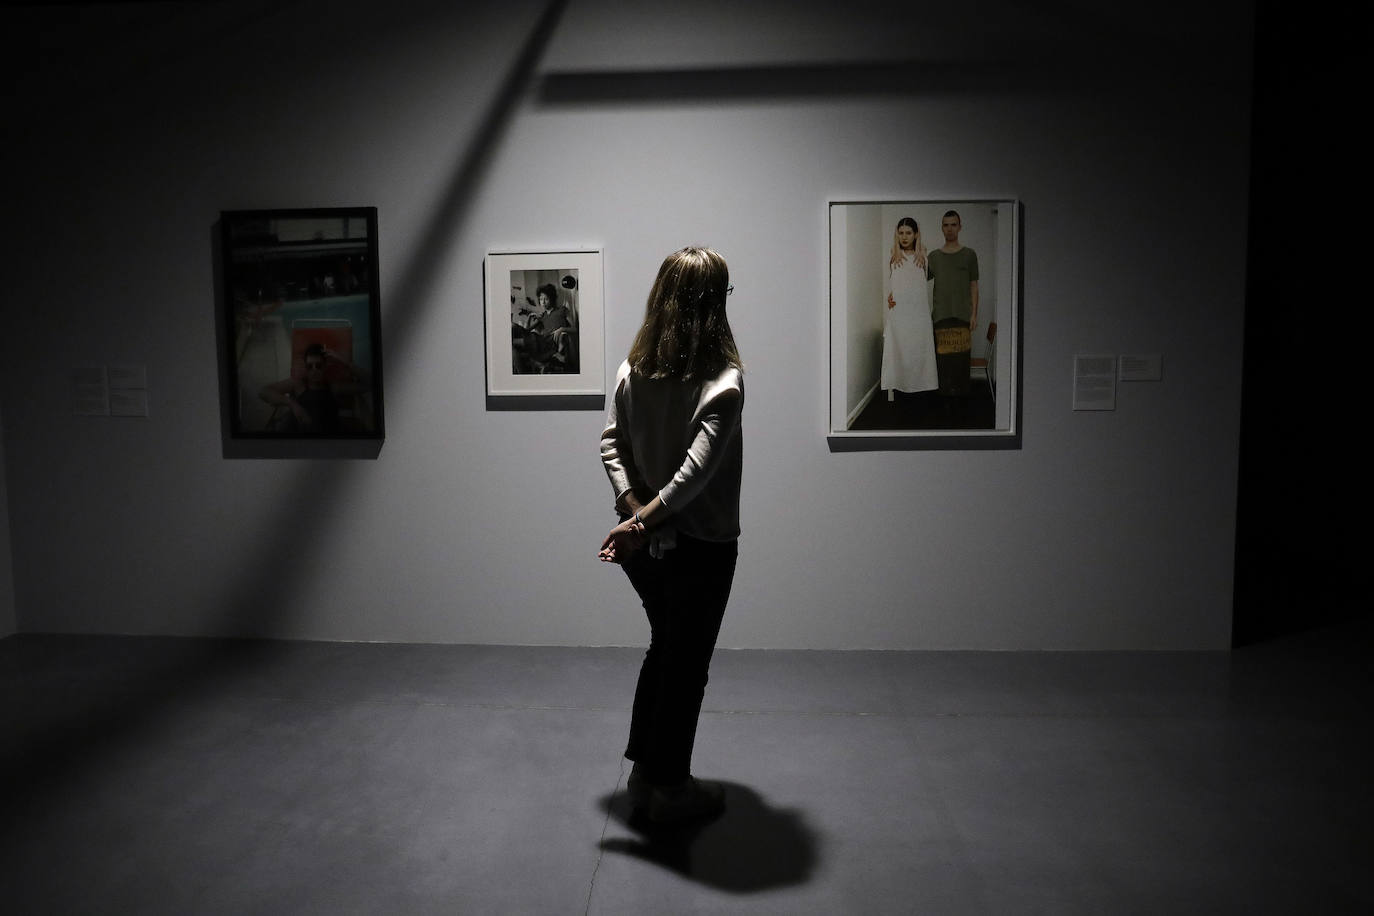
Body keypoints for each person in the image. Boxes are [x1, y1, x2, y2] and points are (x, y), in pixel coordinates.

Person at [599, 246, 744, 826]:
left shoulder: (634, 369)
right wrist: (643, 519)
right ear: (715, 304)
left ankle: (644, 773)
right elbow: (693, 478)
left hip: (644, 545)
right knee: (687, 664)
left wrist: (634, 514)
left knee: (667, 652)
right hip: (703, 545)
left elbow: (613, 446)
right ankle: (672, 786)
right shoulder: (723, 383)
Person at [881, 217, 938, 398]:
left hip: (919, 314)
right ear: (897, 234)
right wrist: (890, 299)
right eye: (901, 233)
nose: (904, 237)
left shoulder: (923, 258)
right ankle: (898, 387)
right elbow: (893, 288)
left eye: (908, 233)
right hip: (899, 315)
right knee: (899, 352)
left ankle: (922, 390)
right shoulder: (894, 257)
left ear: (915, 235)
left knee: (919, 351)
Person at [258, 342, 370, 433]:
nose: (314, 370)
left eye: (318, 366)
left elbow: (369, 384)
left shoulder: (334, 387)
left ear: (325, 366)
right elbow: (263, 392)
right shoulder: (298, 385)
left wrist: (342, 360)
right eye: (309, 366)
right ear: (305, 367)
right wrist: (292, 404)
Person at [926, 210, 980, 397]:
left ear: (960, 227)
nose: (949, 229)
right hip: (941, 318)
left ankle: (962, 412)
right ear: (942, 228)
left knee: (961, 367)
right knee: (943, 366)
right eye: (946, 225)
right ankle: (944, 410)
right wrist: (894, 293)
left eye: (953, 224)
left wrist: (974, 314)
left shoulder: (969, 255)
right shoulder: (932, 257)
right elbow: (915, 281)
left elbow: (974, 285)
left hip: (962, 318)